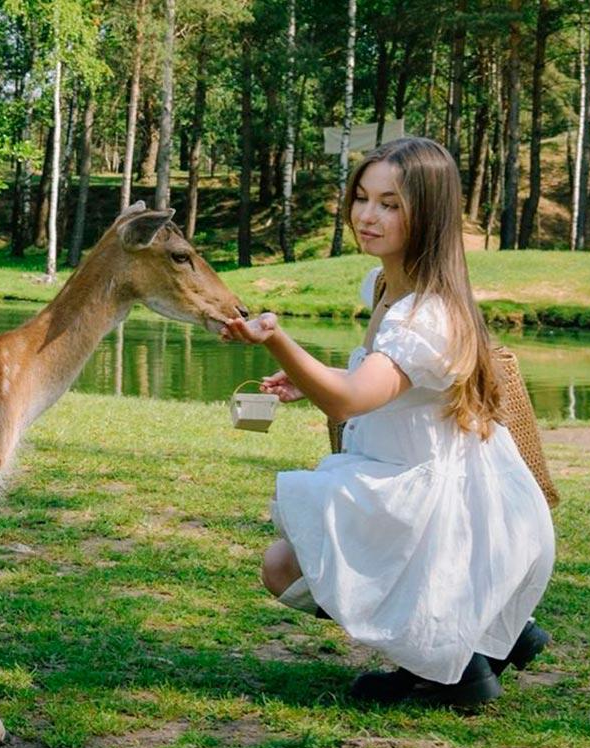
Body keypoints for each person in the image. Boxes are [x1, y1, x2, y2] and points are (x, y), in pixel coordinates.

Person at [222, 137, 554, 707]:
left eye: (390, 204)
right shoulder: (387, 288)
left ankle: (452, 666)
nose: (367, 216)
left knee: (286, 567)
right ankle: (483, 634)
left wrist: (276, 340)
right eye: (361, 198)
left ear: (428, 214)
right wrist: (308, 378)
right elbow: (391, 386)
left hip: (446, 504)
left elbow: (350, 401)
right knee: (288, 563)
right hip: (419, 483)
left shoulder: (426, 314)